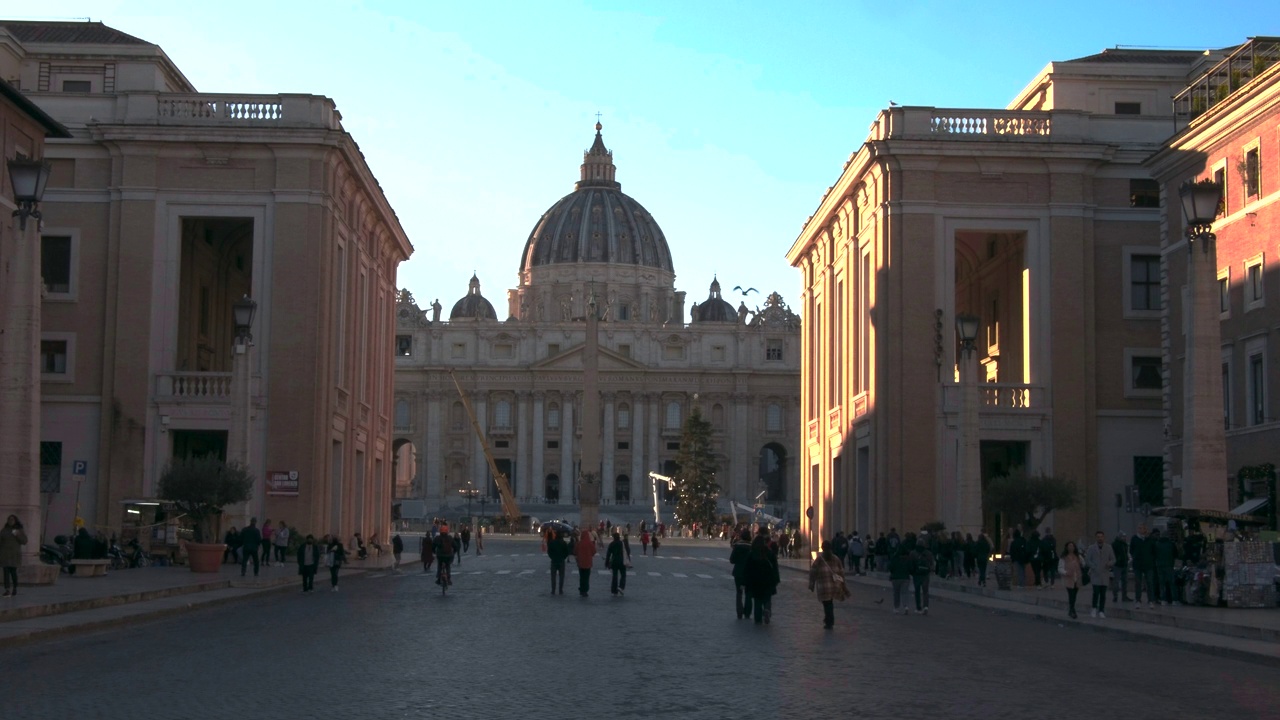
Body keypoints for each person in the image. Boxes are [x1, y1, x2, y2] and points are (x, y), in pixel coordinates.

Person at [743, 533, 779, 624]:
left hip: (755, 581)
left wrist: (746, 582)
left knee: (757, 600)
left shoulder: (752, 554)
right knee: (767, 597)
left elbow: (747, 569)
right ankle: (767, 609)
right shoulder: (770, 553)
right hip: (767, 580)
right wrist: (776, 580)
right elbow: (775, 567)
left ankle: (758, 618)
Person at [809, 541, 846, 629]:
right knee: (829, 602)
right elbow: (841, 571)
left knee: (826, 603)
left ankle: (829, 621)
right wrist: (842, 583)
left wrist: (812, 584)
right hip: (833, 585)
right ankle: (829, 620)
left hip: (823, 585)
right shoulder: (836, 558)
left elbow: (813, 571)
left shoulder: (819, 559)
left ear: (822, 548)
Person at [1083, 530, 1115, 618]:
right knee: (1096, 592)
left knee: (1103, 594)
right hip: (1095, 573)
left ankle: (1101, 610)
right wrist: (1094, 566)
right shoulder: (1091, 548)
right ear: (1096, 538)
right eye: (1098, 537)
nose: (1100, 538)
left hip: (1105, 573)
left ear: (1104, 537)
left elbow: (1113, 559)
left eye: (1101, 537)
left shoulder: (1108, 547)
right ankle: (1094, 608)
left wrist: (1110, 563)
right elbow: (1087, 560)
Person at [1, 515, 28, 597]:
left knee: (13, 572)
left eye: (12, 519)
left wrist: (17, 535)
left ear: (15, 520)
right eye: (9, 519)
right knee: (5, 572)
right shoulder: (4, 530)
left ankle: (15, 588)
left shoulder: (19, 530)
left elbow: (24, 541)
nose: (10, 521)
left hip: (14, 555)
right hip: (5, 555)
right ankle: (7, 589)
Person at [1130, 524, 1155, 607]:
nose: (1142, 530)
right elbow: (1131, 550)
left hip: (1148, 564)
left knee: (1150, 582)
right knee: (1138, 582)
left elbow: (1153, 550)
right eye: (1140, 528)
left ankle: (1151, 600)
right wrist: (1136, 557)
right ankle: (1138, 600)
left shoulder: (1149, 539)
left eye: (1143, 528)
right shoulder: (1134, 539)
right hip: (1138, 564)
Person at [729, 529, 753, 618]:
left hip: (738, 573)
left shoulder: (737, 546)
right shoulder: (752, 547)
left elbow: (732, 560)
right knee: (749, 593)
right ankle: (747, 612)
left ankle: (739, 612)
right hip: (749, 573)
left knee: (739, 593)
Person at [1152, 528, 1179, 605]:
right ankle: (1174, 599)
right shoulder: (1171, 544)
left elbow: (1154, 555)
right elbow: (1176, 555)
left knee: (1162, 583)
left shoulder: (1157, 544)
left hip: (1159, 565)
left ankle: (1163, 599)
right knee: (1172, 583)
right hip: (1169, 565)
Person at [910, 534, 934, 615]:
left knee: (917, 591)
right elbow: (931, 564)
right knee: (925, 591)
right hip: (925, 574)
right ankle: (926, 606)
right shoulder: (928, 553)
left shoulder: (913, 553)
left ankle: (918, 607)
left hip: (916, 575)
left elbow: (911, 564)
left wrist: (912, 572)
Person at [1061, 541, 1084, 619]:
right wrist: (1065, 572)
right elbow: (1060, 567)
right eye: (1069, 546)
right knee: (1071, 595)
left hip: (1077, 578)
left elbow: (1083, 563)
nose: (1071, 548)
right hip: (1068, 578)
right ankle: (1072, 610)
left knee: (1074, 595)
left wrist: (1081, 562)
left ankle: (1071, 609)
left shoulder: (1078, 556)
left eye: (1072, 546)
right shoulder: (1064, 557)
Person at [888, 545, 913, 614]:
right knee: (905, 592)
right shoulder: (908, 558)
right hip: (905, 577)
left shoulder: (894, 558)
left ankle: (896, 607)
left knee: (896, 593)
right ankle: (906, 606)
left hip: (895, 578)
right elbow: (911, 568)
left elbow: (890, 567)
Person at [574, 527, 596, 597]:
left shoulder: (579, 543)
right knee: (586, 577)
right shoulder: (590, 543)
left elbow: (575, 551)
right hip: (588, 563)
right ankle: (585, 590)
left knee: (581, 576)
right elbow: (594, 551)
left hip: (580, 563)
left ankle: (581, 589)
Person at [547, 529, 570, 595]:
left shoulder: (552, 542)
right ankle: (560, 590)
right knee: (561, 576)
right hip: (561, 561)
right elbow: (566, 552)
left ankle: (553, 590)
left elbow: (549, 552)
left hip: (554, 561)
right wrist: (563, 557)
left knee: (553, 577)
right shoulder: (563, 543)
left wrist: (552, 557)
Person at [1111, 531, 1131, 603]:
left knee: (1125, 581)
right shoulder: (1115, 544)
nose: (1124, 538)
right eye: (1123, 536)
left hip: (1124, 564)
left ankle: (1124, 596)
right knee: (1116, 581)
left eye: (1125, 536)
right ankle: (1115, 596)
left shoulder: (1125, 544)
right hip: (1117, 565)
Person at [606, 530, 627, 596]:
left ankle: (614, 590)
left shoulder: (611, 544)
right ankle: (621, 587)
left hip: (614, 561)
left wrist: (607, 563)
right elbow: (627, 551)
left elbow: (608, 555)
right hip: (621, 561)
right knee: (623, 574)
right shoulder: (622, 543)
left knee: (614, 576)